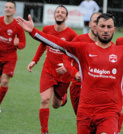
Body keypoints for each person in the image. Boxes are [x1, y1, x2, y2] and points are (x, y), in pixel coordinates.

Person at [26, 5, 77, 134]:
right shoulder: (47, 29)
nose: (60, 14)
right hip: (48, 70)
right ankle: (44, 131)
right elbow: (43, 44)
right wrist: (34, 60)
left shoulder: (72, 34)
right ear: (54, 15)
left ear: (66, 17)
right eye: (57, 12)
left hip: (64, 74)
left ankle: (63, 98)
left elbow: (75, 55)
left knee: (56, 104)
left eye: (62, 12)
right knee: (44, 100)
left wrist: (67, 67)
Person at [63, 12, 101, 115]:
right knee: (83, 120)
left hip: (98, 90)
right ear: (89, 24)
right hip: (78, 87)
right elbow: (65, 58)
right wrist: (74, 72)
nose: (97, 25)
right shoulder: (79, 40)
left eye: (100, 23)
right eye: (95, 22)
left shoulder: (108, 45)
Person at [0, 1, 26, 113]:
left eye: (10, 7)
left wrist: (18, 45)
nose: (8, 9)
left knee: (4, 82)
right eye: (6, 7)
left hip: (10, 58)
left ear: (15, 11)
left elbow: (23, 43)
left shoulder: (17, 26)